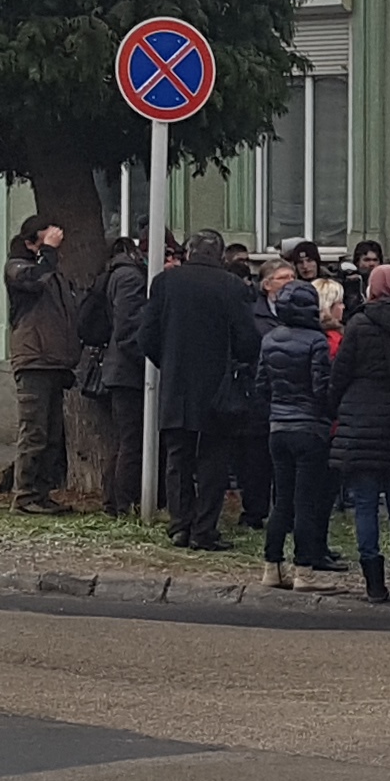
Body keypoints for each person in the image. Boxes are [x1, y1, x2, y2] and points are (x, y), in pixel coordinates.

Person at [141, 226, 264, 550]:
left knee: (178, 458)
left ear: (188, 252)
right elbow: (248, 340)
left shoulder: (165, 282)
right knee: (213, 461)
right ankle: (204, 530)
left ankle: (180, 525)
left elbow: (146, 336)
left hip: (176, 382)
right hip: (218, 386)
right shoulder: (232, 286)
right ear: (220, 255)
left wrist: (168, 361)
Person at [323, 261, 390, 603]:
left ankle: (374, 584)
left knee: (366, 506)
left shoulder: (360, 324)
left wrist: (334, 408)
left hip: (362, 420)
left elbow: (340, 374)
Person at [255, 279, 343, 585]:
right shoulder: (316, 341)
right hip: (310, 427)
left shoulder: (269, 339)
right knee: (305, 502)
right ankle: (303, 570)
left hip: (278, 426)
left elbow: (261, 385)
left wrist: (278, 407)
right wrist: (330, 413)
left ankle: (272, 566)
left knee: (282, 501)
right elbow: (321, 388)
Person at [3, 219, 85, 515]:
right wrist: (47, 251)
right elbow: (33, 281)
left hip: (53, 361)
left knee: (51, 435)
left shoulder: (55, 276)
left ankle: (41, 493)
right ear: (30, 243)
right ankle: (24, 495)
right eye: (45, 240)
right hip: (33, 360)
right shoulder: (17, 268)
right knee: (34, 432)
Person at [88, 235, 151, 515]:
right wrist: (148, 360)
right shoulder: (130, 277)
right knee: (131, 440)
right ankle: (122, 503)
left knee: (126, 439)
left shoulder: (117, 273)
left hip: (120, 369)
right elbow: (128, 328)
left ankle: (115, 501)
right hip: (128, 371)